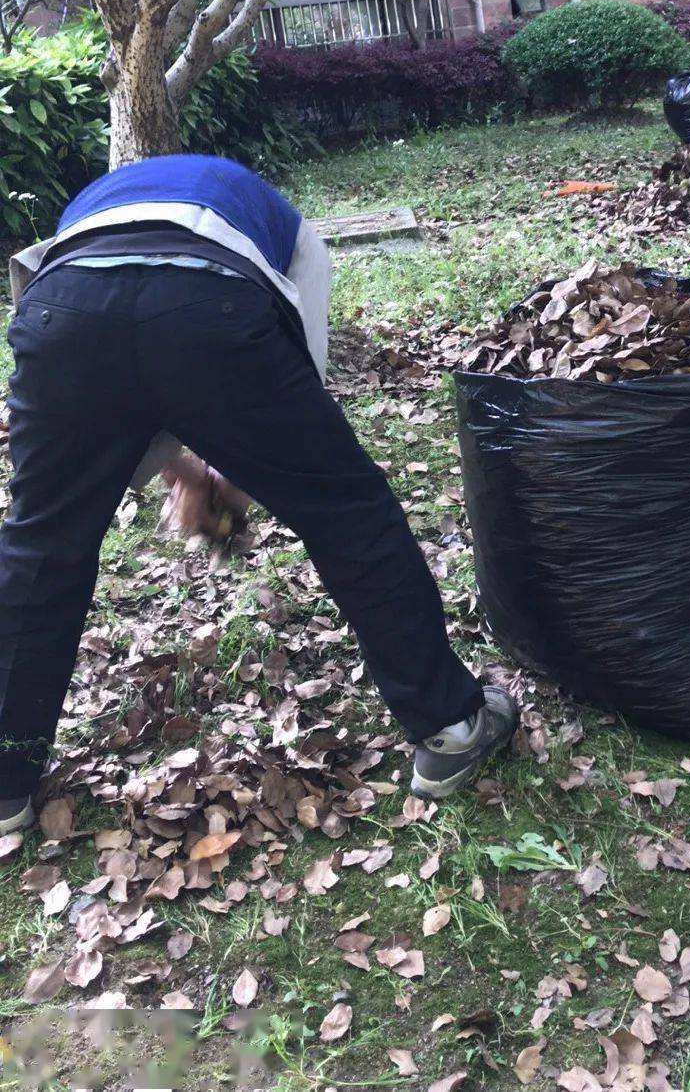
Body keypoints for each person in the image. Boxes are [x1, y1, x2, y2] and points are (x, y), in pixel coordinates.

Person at [0, 155, 518, 834]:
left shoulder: (91, 207)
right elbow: (296, 382)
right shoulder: (284, 225)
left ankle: (4, 786)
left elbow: (107, 355)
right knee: (346, 511)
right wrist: (228, 481)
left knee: (41, 543)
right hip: (206, 302)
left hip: (58, 309)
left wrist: (192, 475)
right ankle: (451, 729)